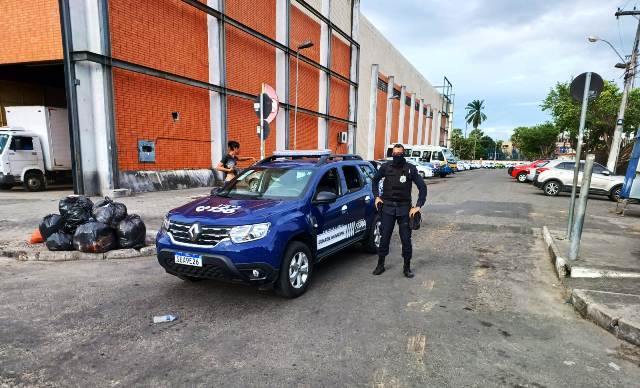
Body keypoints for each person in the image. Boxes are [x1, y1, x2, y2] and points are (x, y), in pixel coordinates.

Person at [371, 143, 427, 278]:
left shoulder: (410, 169)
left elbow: (422, 187)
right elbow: (374, 180)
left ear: (404, 154)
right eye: (394, 154)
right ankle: (380, 265)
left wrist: (418, 206)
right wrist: (377, 197)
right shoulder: (385, 167)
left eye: (399, 154)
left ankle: (407, 267)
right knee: (384, 238)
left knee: (406, 239)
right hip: (388, 208)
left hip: (404, 209)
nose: (396, 156)